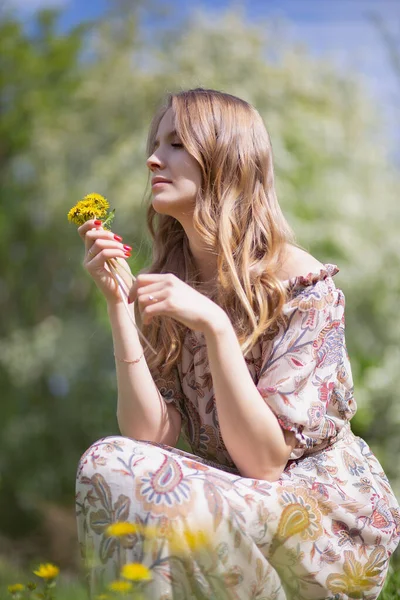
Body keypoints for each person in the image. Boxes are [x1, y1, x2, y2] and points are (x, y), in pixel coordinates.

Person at [75, 88, 400, 599]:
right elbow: (149, 436)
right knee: (110, 464)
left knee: (122, 468)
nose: (152, 158)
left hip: (324, 529)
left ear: (224, 158)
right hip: (240, 506)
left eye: (177, 143)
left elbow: (265, 462)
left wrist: (216, 327)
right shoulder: (173, 280)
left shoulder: (301, 285)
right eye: (157, 142)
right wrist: (118, 304)